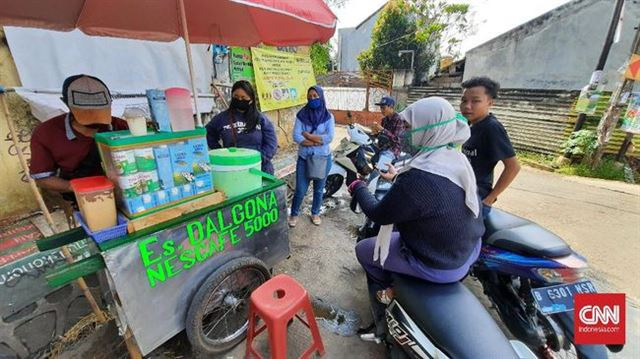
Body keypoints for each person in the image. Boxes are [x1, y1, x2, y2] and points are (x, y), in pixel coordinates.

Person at [348, 97, 484, 334]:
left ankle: (386, 303)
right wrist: (397, 176)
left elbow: (379, 214)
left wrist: (358, 186)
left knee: (364, 250)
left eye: (410, 128)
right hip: (468, 251)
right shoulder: (454, 158)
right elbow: (430, 188)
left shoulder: (418, 179)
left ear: (430, 129)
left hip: (437, 263)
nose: (406, 134)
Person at [29, 74, 128, 199]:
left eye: (99, 112)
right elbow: (43, 178)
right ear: (66, 103)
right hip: (79, 195)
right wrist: (76, 187)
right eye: (87, 114)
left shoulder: (120, 126)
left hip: (122, 192)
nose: (95, 120)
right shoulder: (46, 133)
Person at [460, 77, 520, 215]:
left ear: (490, 103)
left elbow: (513, 166)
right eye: (464, 100)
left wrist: (489, 199)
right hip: (466, 192)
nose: (467, 106)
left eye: (475, 101)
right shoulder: (470, 124)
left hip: (478, 197)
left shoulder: (491, 128)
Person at [206, 80, 278, 174]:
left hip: (260, 169)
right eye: (236, 97)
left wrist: (257, 159)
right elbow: (208, 132)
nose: (239, 100)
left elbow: (271, 144)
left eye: (243, 97)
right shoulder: (222, 118)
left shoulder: (261, 119)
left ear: (251, 99)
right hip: (233, 169)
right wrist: (220, 151)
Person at [288, 86, 335, 227]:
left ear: (321, 96)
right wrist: (316, 140)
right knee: (301, 189)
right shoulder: (301, 115)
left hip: (323, 159)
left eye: (315, 96)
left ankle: (315, 213)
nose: (312, 99)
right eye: (310, 97)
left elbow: (329, 137)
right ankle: (294, 213)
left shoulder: (328, 116)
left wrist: (308, 136)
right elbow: (296, 136)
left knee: (319, 189)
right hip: (304, 159)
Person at [371, 96, 405, 170]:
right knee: (373, 160)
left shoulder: (398, 120)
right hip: (383, 147)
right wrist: (375, 133)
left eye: (383, 108)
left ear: (391, 107)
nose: (381, 110)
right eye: (381, 108)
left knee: (381, 168)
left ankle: (383, 178)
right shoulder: (384, 120)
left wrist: (383, 130)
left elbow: (396, 139)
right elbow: (383, 136)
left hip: (393, 150)